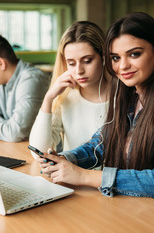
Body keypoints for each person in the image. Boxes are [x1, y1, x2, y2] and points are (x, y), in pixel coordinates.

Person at [37, 12, 154, 223]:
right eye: (115, 58)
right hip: (138, 209)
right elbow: (100, 145)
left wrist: (84, 176)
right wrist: (65, 160)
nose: (122, 66)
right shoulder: (128, 98)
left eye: (134, 54)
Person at [29, 21, 111, 158]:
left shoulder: (123, 95)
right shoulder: (65, 97)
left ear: (103, 57)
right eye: (71, 63)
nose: (79, 70)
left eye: (87, 60)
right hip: (71, 178)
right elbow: (38, 153)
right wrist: (49, 98)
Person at [0, 33, 50, 142]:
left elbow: (15, 132)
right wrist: (6, 127)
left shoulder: (31, 79)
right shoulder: (0, 82)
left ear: (1, 63)